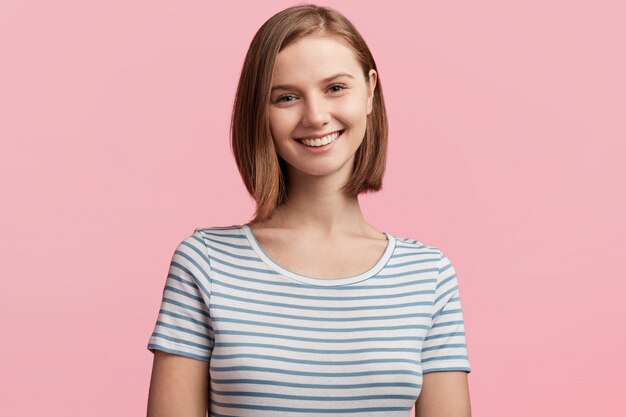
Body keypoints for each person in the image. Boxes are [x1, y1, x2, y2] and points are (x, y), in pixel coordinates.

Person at [146, 4, 472, 416]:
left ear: (370, 91)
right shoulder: (206, 264)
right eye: (286, 97)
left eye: (335, 88)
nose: (316, 117)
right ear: (259, 111)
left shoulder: (428, 276)